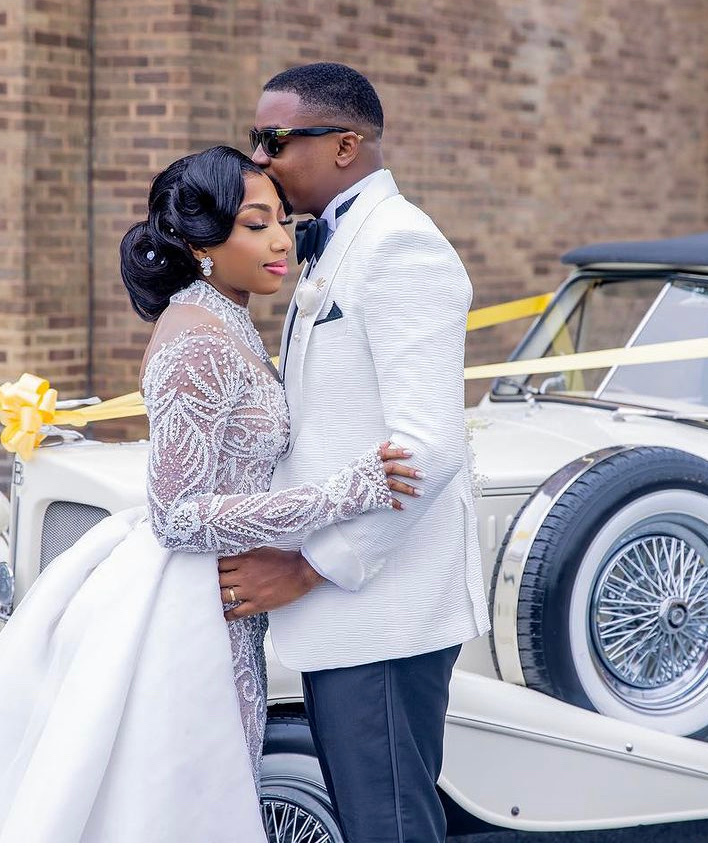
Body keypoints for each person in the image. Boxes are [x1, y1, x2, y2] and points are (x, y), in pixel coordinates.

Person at [0, 146, 420, 843]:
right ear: (201, 243)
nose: (282, 240)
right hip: (189, 608)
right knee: (178, 801)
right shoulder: (197, 341)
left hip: (219, 595)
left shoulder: (226, 317)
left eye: (283, 221)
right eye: (256, 225)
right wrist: (346, 493)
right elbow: (178, 516)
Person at [219, 63, 490, 842]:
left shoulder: (402, 246)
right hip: (351, 605)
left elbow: (428, 449)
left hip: (384, 608)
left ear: (346, 145)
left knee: (389, 827)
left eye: (273, 139)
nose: (259, 159)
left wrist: (307, 567)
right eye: (253, 139)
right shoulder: (333, 243)